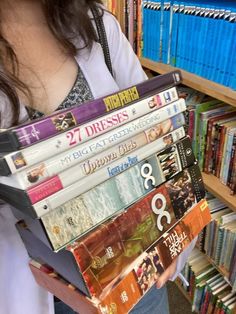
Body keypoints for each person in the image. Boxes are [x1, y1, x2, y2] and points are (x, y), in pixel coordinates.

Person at [0, 1, 197, 313]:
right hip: (43, 291)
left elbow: (162, 132)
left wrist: (174, 232)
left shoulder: (96, 23)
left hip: (140, 269)